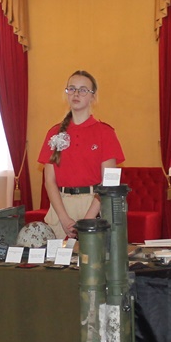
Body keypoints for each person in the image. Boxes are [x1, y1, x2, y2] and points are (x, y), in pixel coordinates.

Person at [38, 70, 125, 238]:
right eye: (72, 89)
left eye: (83, 90)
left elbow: (110, 181)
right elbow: (49, 181)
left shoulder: (105, 132)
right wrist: (64, 218)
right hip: (61, 209)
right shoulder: (54, 133)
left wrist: (88, 219)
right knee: (59, 255)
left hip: (94, 205)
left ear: (93, 96)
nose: (76, 93)